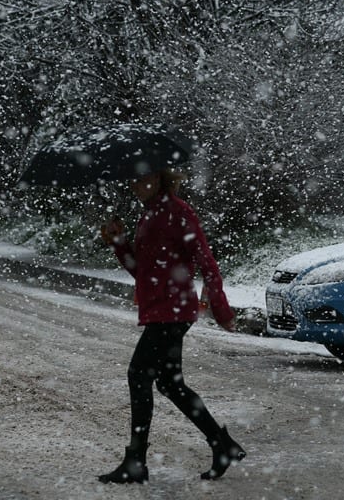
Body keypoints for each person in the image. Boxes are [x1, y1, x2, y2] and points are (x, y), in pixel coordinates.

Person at [97, 168, 245, 484]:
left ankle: (136, 462)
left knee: (139, 375)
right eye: (133, 179)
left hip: (173, 312)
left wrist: (221, 309)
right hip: (161, 311)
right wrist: (120, 243)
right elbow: (143, 272)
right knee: (168, 383)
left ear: (161, 178)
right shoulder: (149, 215)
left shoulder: (179, 211)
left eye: (142, 178)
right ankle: (222, 444)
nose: (136, 184)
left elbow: (206, 260)